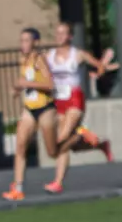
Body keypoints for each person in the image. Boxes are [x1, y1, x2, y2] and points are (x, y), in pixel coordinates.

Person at [43, 22, 116, 194]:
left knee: (61, 139)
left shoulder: (78, 54)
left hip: (75, 99)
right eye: (57, 33)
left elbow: (99, 65)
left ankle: (57, 182)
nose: (60, 36)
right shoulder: (49, 56)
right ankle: (99, 144)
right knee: (70, 146)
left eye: (63, 33)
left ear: (70, 36)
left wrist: (99, 71)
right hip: (59, 100)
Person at [4, 28, 59, 202]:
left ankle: (80, 138)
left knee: (52, 152)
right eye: (21, 41)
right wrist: (16, 89)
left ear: (35, 42)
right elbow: (24, 82)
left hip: (45, 108)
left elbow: (50, 85)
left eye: (27, 40)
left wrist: (27, 83)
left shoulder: (39, 59)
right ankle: (18, 188)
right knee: (20, 146)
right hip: (29, 109)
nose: (23, 44)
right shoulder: (24, 60)